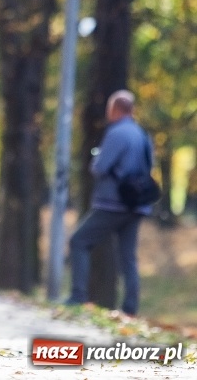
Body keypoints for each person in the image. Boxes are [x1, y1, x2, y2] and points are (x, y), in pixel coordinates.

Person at [66, 89, 154, 315]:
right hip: (137, 205)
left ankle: (77, 296)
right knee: (128, 256)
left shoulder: (116, 133)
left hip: (113, 203)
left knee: (79, 241)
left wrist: (97, 156)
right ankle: (130, 307)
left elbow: (100, 167)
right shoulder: (143, 135)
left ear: (114, 109)